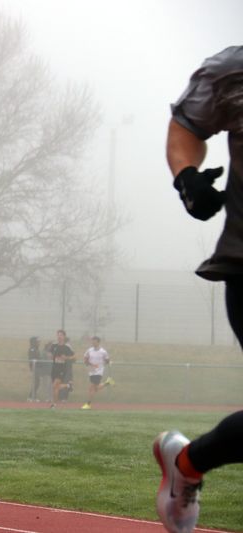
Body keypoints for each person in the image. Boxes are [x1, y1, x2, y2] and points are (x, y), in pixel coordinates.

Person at [153, 46, 243, 533]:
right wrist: (188, 176)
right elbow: (186, 125)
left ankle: (187, 462)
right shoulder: (234, 69)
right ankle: (187, 464)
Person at [80, 336, 115, 410]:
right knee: (95, 388)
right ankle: (108, 382)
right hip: (91, 371)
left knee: (91, 388)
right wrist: (88, 363)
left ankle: (88, 404)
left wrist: (108, 362)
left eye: (94, 341)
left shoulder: (103, 351)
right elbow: (85, 358)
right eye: (92, 341)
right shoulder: (89, 350)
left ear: (98, 342)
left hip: (99, 372)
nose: (93, 342)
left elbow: (107, 359)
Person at [48, 329, 75, 409]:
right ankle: (68, 385)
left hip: (62, 369)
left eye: (61, 335)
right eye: (58, 335)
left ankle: (54, 404)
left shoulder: (67, 347)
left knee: (54, 386)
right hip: (54, 368)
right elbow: (49, 353)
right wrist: (50, 355)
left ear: (64, 336)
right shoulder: (54, 345)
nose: (59, 336)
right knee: (56, 387)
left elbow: (74, 356)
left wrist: (66, 357)